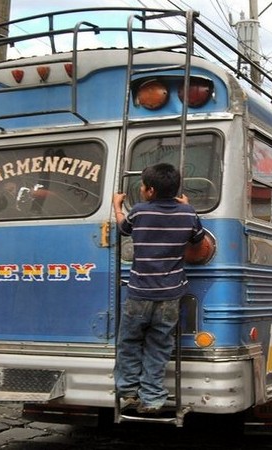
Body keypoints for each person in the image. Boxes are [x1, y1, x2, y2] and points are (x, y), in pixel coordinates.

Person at [112, 163, 205, 414]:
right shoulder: (188, 214)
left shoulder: (139, 212)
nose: (141, 190)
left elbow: (123, 229)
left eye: (142, 186)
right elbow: (198, 239)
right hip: (170, 294)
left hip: (139, 292)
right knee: (159, 345)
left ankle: (128, 390)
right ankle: (152, 398)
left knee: (129, 341)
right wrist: (186, 207)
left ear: (150, 190)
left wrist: (117, 207)